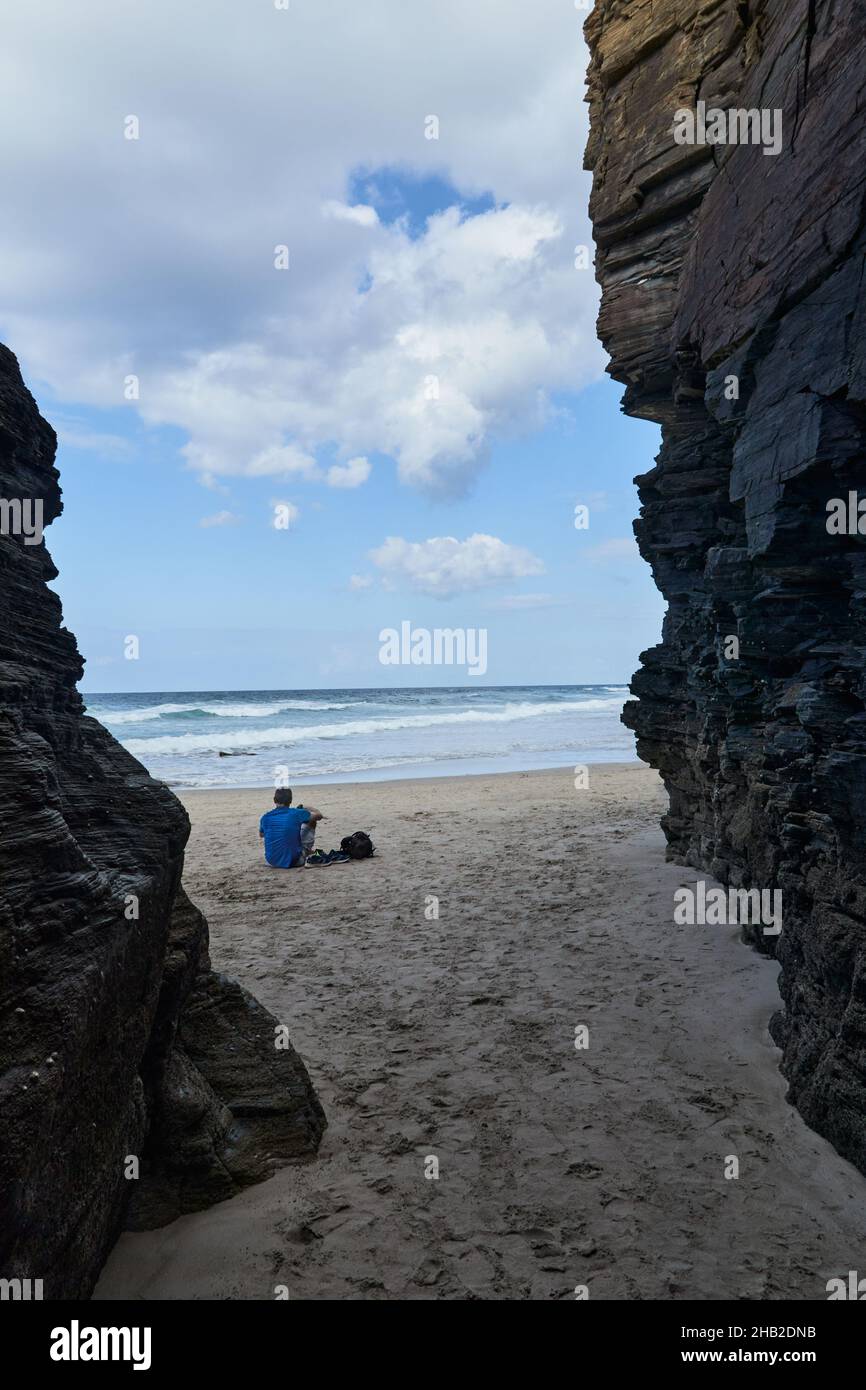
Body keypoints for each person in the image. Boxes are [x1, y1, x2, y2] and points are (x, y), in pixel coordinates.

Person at [259, 787, 324, 868]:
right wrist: (306, 807)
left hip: (271, 861)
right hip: (295, 861)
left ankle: (295, 850)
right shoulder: (296, 813)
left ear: (274, 800)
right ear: (290, 801)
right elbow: (319, 815)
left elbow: (262, 834)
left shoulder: (265, 817)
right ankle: (306, 850)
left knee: (284, 832)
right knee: (311, 821)